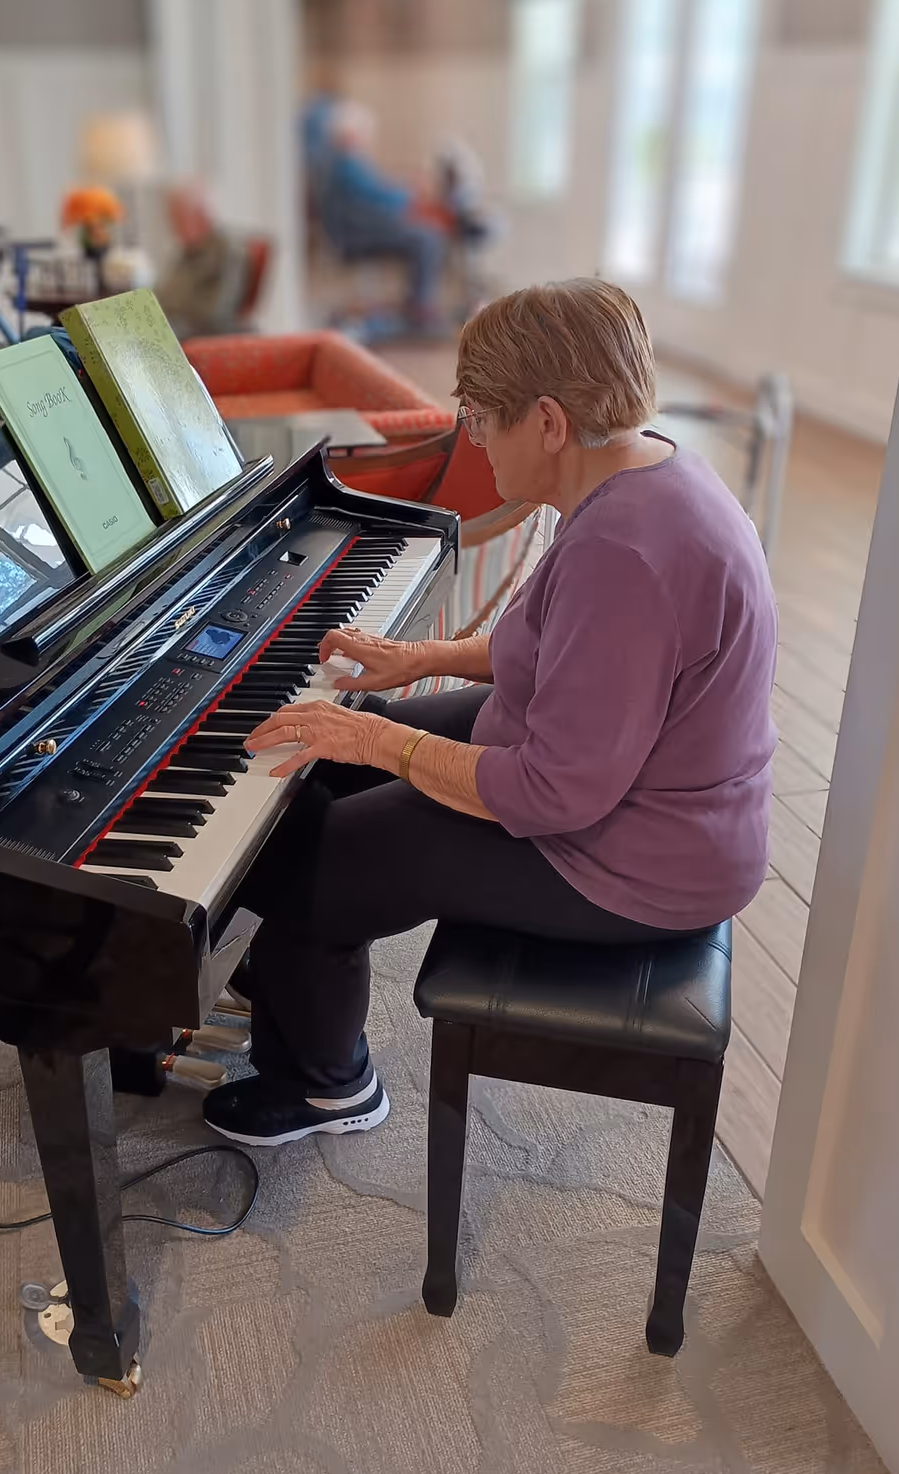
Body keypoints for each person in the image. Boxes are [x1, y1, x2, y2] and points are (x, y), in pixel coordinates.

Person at [202, 279, 778, 1147]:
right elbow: (555, 645)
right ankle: (291, 967)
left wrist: (376, 731)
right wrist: (420, 660)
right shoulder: (643, 469)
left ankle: (325, 1084)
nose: (472, 436)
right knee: (322, 763)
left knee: (317, 854)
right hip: (624, 781)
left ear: (546, 421)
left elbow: (553, 794)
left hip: (638, 855)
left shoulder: (626, 549)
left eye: (477, 416)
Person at [317, 101, 445, 330]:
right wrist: (412, 192)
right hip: (355, 236)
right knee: (426, 238)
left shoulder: (342, 162)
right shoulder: (345, 163)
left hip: (358, 230)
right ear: (350, 134)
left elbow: (375, 192)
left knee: (424, 234)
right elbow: (379, 195)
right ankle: (418, 308)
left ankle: (415, 304)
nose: (368, 139)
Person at [152, 183, 249, 340]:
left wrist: (172, 316)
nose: (172, 226)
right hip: (175, 328)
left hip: (206, 337)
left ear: (201, 215)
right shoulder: (187, 250)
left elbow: (216, 312)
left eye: (178, 218)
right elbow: (164, 296)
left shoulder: (227, 250)